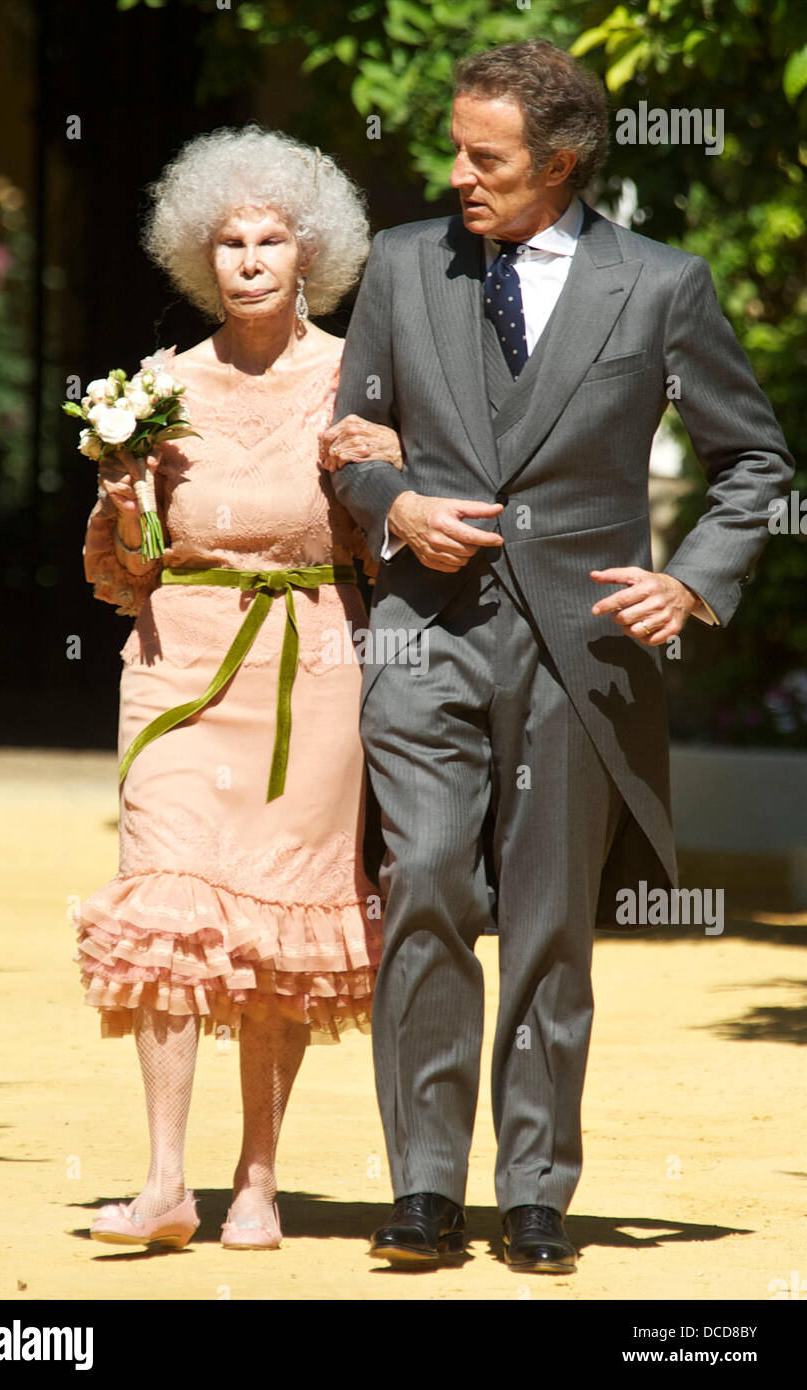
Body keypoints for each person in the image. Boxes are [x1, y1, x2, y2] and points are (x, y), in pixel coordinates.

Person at [321, 40, 793, 1272]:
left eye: (486, 158)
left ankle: (535, 1187)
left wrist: (693, 579)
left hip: (581, 649)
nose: (457, 176)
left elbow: (755, 459)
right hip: (422, 630)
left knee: (547, 923)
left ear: (561, 164)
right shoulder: (400, 266)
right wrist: (390, 503)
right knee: (422, 877)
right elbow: (350, 439)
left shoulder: (661, 286)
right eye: (455, 151)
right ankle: (423, 1182)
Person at [77, 125, 401, 1252]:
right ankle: (165, 1181)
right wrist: (125, 498)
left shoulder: (360, 378)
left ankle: (257, 1183)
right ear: (197, 256)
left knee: (275, 927)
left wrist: (378, 473)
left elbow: (386, 547)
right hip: (175, 660)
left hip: (314, 667)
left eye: (270, 239)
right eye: (228, 241)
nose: (250, 259)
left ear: (309, 252)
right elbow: (128, 571)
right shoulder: (157, 387)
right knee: (165, 903)